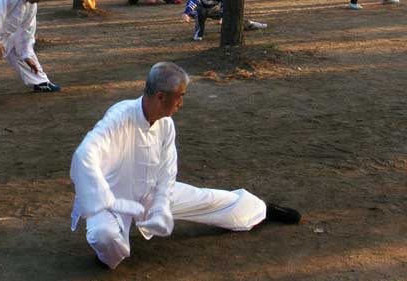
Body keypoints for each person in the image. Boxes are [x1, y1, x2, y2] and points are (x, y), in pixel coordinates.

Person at [70, 62, 301, 270]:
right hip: (113, 198)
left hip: (151, 192)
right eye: (179, 96)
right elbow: (84, 156)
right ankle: (105, 255)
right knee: (104, 237)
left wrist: (161, 203)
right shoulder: (118, 118)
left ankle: (261, 209)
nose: (181, 103)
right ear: (161, 97)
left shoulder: (166, 124)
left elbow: (168, 168)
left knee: (208, 200)